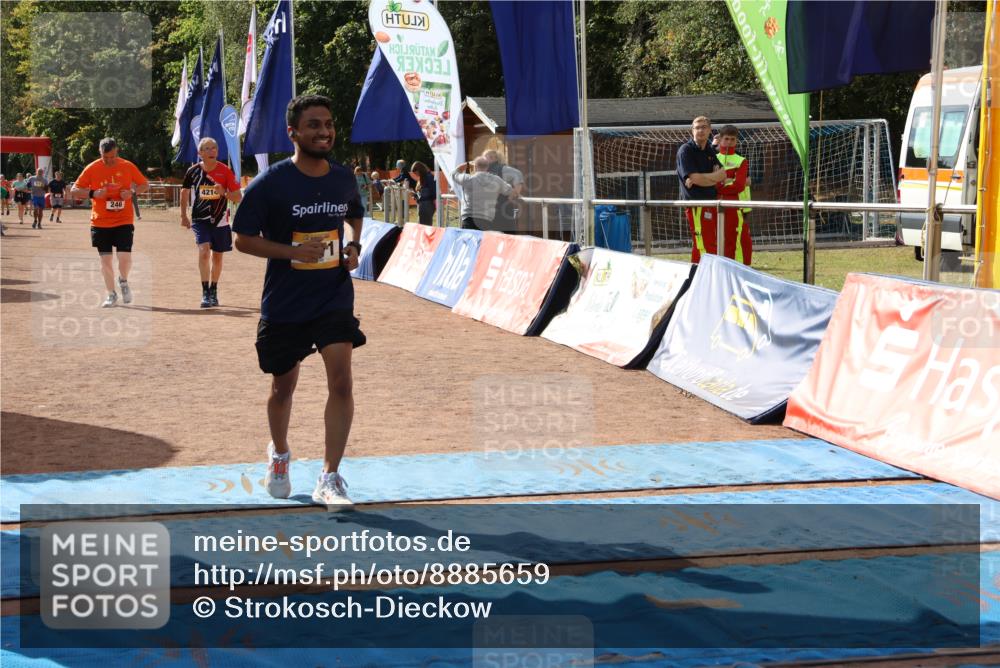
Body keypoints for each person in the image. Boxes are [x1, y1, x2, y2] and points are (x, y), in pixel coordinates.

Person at [232, 94, 365, 511]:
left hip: (333, 294)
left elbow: (354, 213)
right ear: (293, 133)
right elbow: (242, 239)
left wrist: (354, 244)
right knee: (282, 386)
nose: (324, 132)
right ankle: (279, 454)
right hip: (286, 301)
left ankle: (329, 477)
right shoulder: (271, 182)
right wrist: (292, 252)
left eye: (328, 124)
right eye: (314, 125)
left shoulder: (343, 178)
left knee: (341, 382)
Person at [70, 137, 149, 307]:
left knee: (124, 258)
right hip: (100, 222)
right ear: (100, 153)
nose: (109, 160)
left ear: (117, 151)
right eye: (105, 157)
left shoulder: (127, 166)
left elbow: (144, 184)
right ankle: (111, 294)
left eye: (112, 157)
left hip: (123, 220)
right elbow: (74, 190)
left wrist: (131, 192)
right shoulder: (92, 168)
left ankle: (123, 280)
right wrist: (93, 193)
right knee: (105, 261)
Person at [180, 137, 243, 308]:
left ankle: (214, 290)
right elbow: (184, 192)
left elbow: (238, 197)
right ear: (200, 153)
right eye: (207, 148)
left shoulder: (225, 171)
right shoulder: (193, 171)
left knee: (217, 257)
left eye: (214, 148)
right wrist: (183, 216)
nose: (211, 151)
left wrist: (224, 193)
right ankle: (205, 292)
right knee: (204, 251)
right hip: (200, 220)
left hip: (220, 220)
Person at [676, 116, 727, 263]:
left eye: (704, 127)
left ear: (710, 130)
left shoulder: (709, 151)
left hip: (711, 203)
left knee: (707, 242)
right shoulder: (686, 150)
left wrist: (703, 178)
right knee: (703, 244)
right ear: (692, 130)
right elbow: (695, 178)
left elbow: (723, 175)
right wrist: (713, 177)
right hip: (696, 205)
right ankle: (704, 273)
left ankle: (697, 274)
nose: (700, 130)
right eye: (697, 128)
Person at [714, 125, 753, 266]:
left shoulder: (741, 160)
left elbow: (739, 185)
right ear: (720, 139)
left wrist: (719, 184)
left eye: (732, 139)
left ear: (736, 141)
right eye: (726, 139)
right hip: (714, 205)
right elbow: (709, 184)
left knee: (738, 238)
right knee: (716, 238)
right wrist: (727, 181)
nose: (729, 142)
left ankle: (740, 268)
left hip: (737, 205)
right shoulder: (712, 158)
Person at [451, 157, 512, 231]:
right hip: (487, 219)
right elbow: (509, 190)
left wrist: (462, 166)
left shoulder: (468, 179)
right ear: (487, 167)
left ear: (475, 167)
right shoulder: (497, 180)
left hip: (469, 219)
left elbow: (453, 174)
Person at [483, 149, 524, 232]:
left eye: (484, 157)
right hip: (490, 213)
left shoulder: (502, 169)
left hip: (502, 212)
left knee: (505, 236)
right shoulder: (485, 171)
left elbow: (518, 174)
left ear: (493, 158)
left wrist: (515, 192)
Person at [411, 161, 435, 225]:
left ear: (420, 170)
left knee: (425, 226)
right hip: (423, 205)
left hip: (427, 206)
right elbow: (421, 194)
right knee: (422, 225)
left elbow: (433, 192)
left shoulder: (429, 177)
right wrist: (415, 195)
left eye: (416, 173)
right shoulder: (423, 178)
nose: (416, 175)